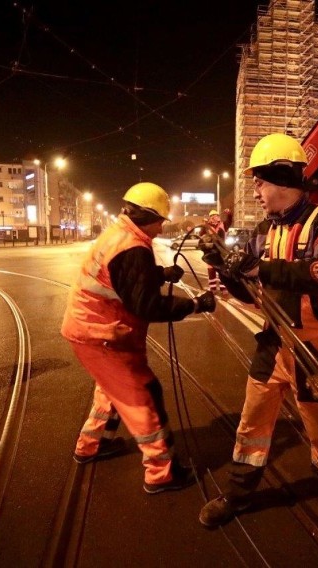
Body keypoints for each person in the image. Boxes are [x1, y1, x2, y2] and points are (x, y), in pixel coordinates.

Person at [197, 133, 318, 532]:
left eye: (260, 182)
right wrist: (221, 262)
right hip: (274, 341)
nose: (256, 190)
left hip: (315, 348)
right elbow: (246, 287)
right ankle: (237, 494)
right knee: (252, 422)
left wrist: (257, 268)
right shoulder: (263, 230)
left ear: (282, 181)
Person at [61, 181, 217, 493]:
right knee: (143, 396)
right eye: (160, 220)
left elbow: (125, 278)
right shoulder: (132, 247)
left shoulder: (121, 235)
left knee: (110, 393)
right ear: (147, 216)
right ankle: (162, 473)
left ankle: (90, 445)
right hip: (105, 336)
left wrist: (160, 274)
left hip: (93, 330)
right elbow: (147, 304)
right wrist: (196, 304)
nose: (161, 226)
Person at [204, 209, 227, 294]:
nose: (215, 217)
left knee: (222, 272)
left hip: (221, 252)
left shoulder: (222, 225)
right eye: (213, 216)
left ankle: (223, 289)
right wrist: (205, 224)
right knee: (211, 272)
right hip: (211, 252)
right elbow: (201, 234)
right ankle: (213, 289)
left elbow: (229, 220)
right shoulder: (207, 226)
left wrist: (229, 214)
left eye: (216, 216)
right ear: (210, 218)